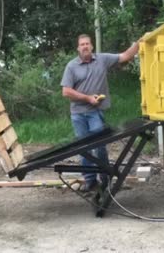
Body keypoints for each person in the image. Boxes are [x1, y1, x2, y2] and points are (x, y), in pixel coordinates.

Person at [60, 34, 140, 192]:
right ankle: (90, 181)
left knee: (101, 147)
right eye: (82, 44)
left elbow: (125, 56)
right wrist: (87, 98)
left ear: (92, 46)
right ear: (78, 48)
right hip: (78, 114)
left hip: (95, 112)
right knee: (84, 148)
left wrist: (139, 42)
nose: (85, 46)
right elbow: (66, 91)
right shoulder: (71, 66)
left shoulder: (102, 59)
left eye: (87, 44)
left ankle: (105, 178)